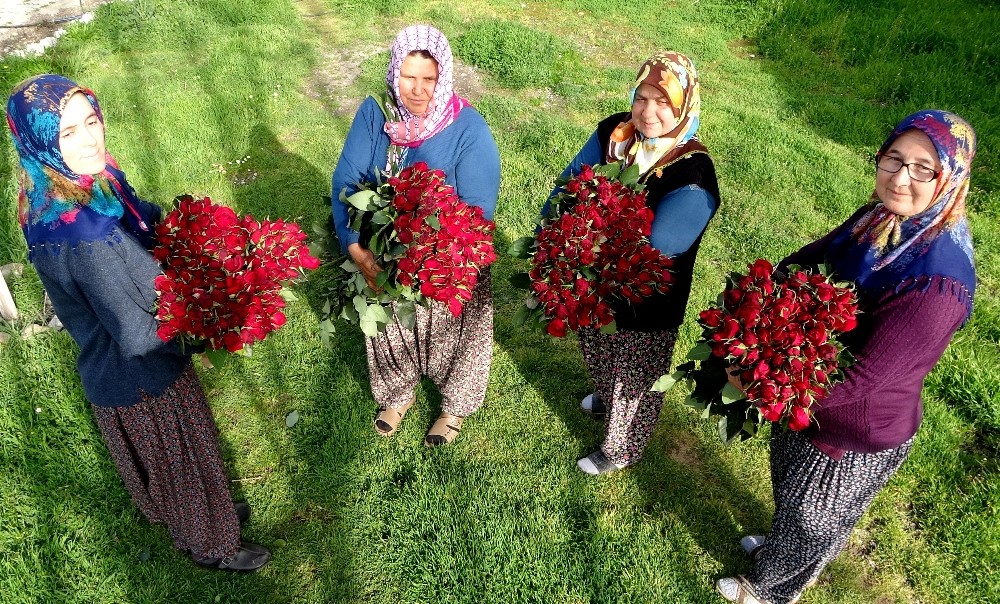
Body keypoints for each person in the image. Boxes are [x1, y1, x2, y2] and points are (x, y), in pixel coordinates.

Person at [6, 74, 270, 572]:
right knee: (182, 464)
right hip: (140, 375)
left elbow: (140, 216)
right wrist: (214, 322)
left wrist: (194, 236)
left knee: (189, 463)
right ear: (41, 141)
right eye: (68, 133)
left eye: (91, 121)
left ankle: (207, 514)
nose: (90, 140)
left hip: (138, 359)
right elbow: (137, 329)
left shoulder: (79, 183)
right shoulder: (82, 237)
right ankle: (212, 544)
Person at [716, 110, 977, 603]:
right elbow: (816, 257)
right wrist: (761, 298)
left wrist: (761, 384)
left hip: (855, 427)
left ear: (951, 178)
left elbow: (863, 378)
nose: (900, 178)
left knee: (814, 515)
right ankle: (783, 552)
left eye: (924, 168)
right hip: (807, 392)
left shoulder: (937, 285)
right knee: (792, 491)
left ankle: (774, 589)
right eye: (893, 159)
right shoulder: (881, 218)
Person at [543, 51, 720, 475]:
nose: (648, 112)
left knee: (635, 375)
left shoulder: (693, 174)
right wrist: (551, 234)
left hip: (646, 297)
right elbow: (570, 183)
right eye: (642, 97)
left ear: (683, 107)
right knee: (598, 345)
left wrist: (583, 240)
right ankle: (605, 395)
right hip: (592, 277)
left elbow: (658, 247)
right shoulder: (615, 132)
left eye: (663, 102)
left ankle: (622, 447)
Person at [331, 25, 501, 446]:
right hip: (385, 248)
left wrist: (433, 252)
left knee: (455, 329)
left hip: (443, 254)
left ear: (443, 78)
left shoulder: (468, 129)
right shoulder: (377, 115)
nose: (418, 90)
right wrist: (354, 244)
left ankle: (453, 406)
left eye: (429, 79)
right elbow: (348, 179)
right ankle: (398, 392)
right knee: (387, 321)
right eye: (409, 77)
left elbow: (478, 209)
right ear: (394, 72)